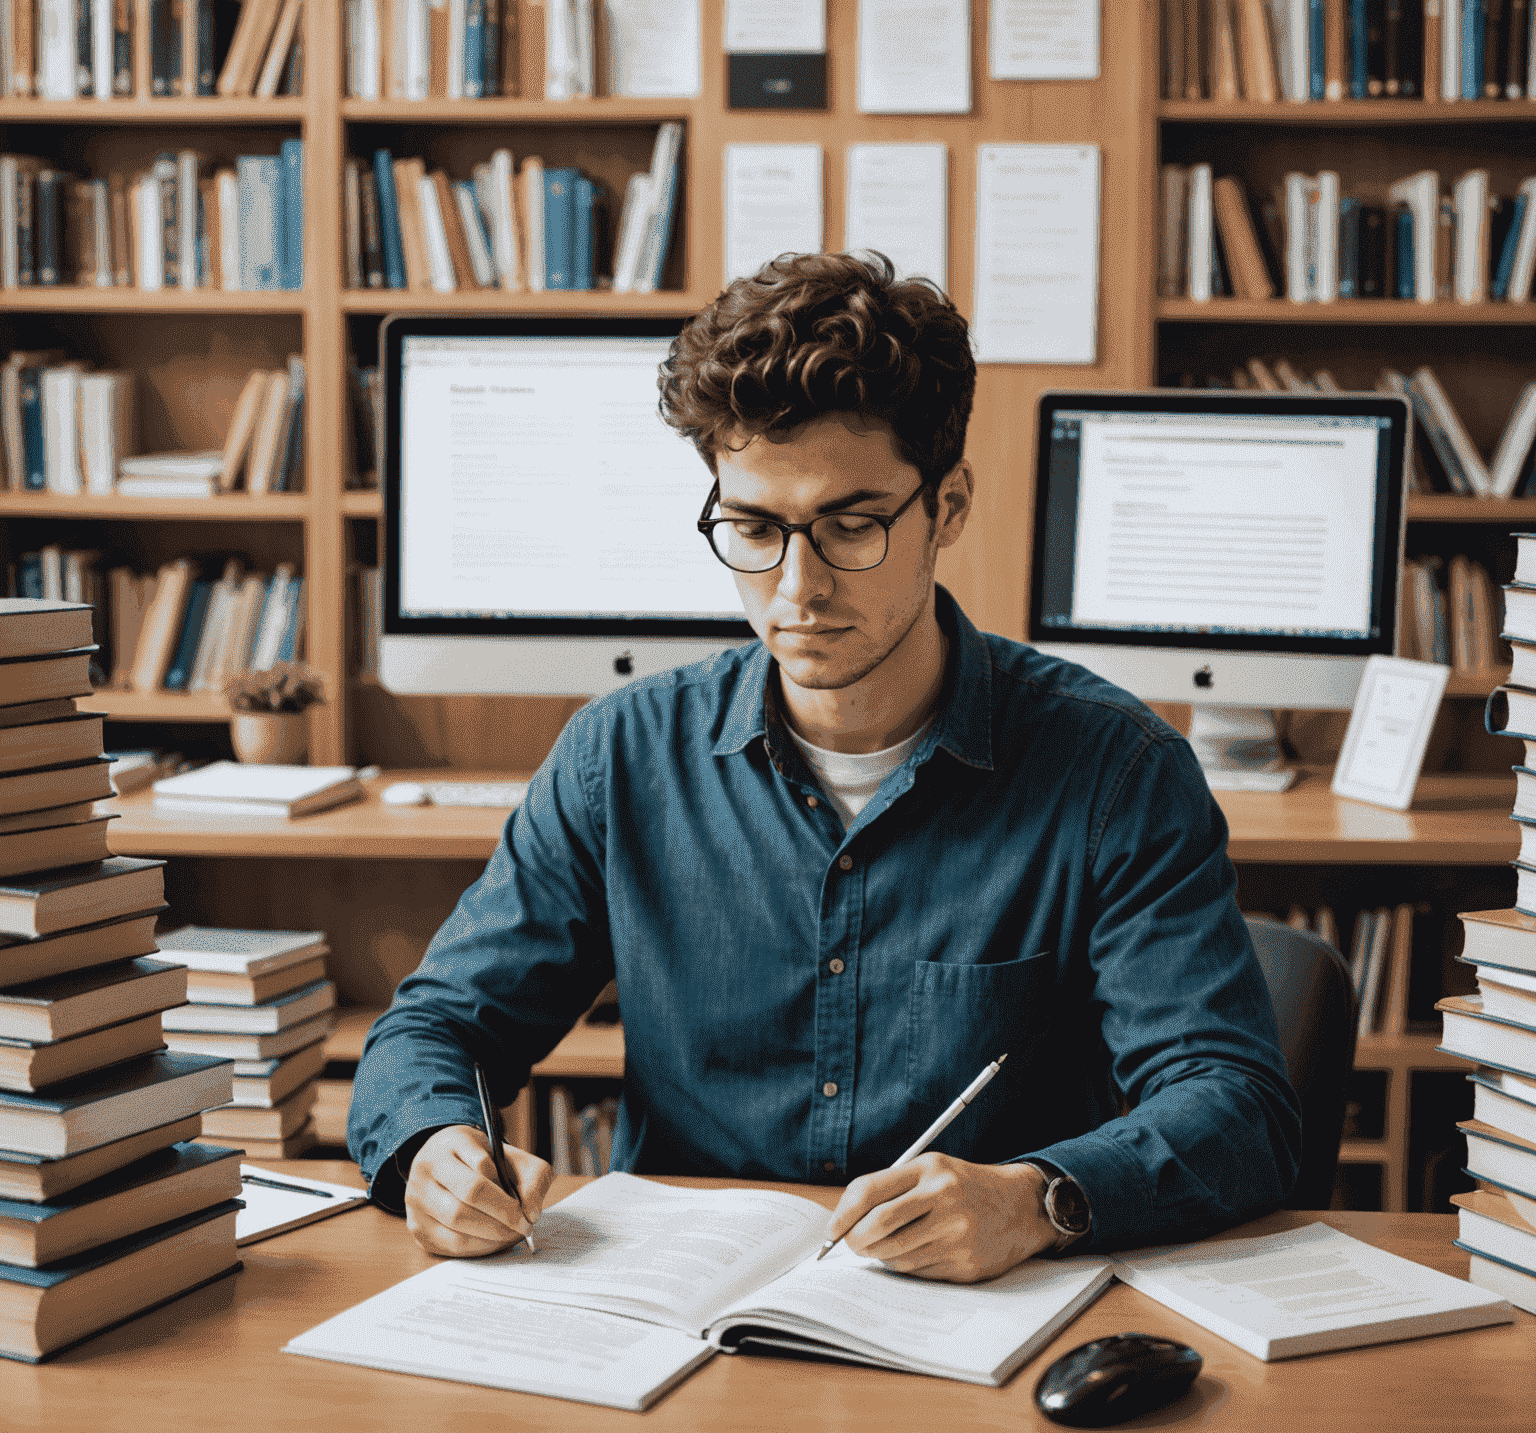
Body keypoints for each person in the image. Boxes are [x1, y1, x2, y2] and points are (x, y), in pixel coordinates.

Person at [348, 251, 1301, 1282]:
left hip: (987, 1314)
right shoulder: (618, 757)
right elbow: (438, 1028)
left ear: (948, 508)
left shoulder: (1116, 772)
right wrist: (432, 1149)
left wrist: (1040, 1200)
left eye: (852, 526)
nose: (798, 587)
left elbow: (1236, 1105)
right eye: (754, 528)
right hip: (676, 1318)